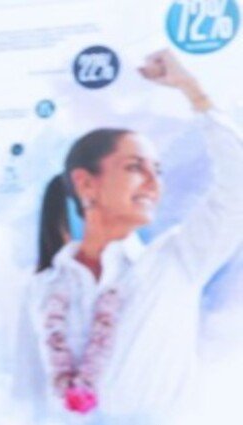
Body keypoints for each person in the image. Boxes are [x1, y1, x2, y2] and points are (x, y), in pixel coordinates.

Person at [17, 50, 243, 423]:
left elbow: (238, 184)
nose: (154, 183)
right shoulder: (45, 285)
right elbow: (28, 394)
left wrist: (193, 91)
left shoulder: (177, 260)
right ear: (85, 183)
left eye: (159, 170)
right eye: (136, 167)